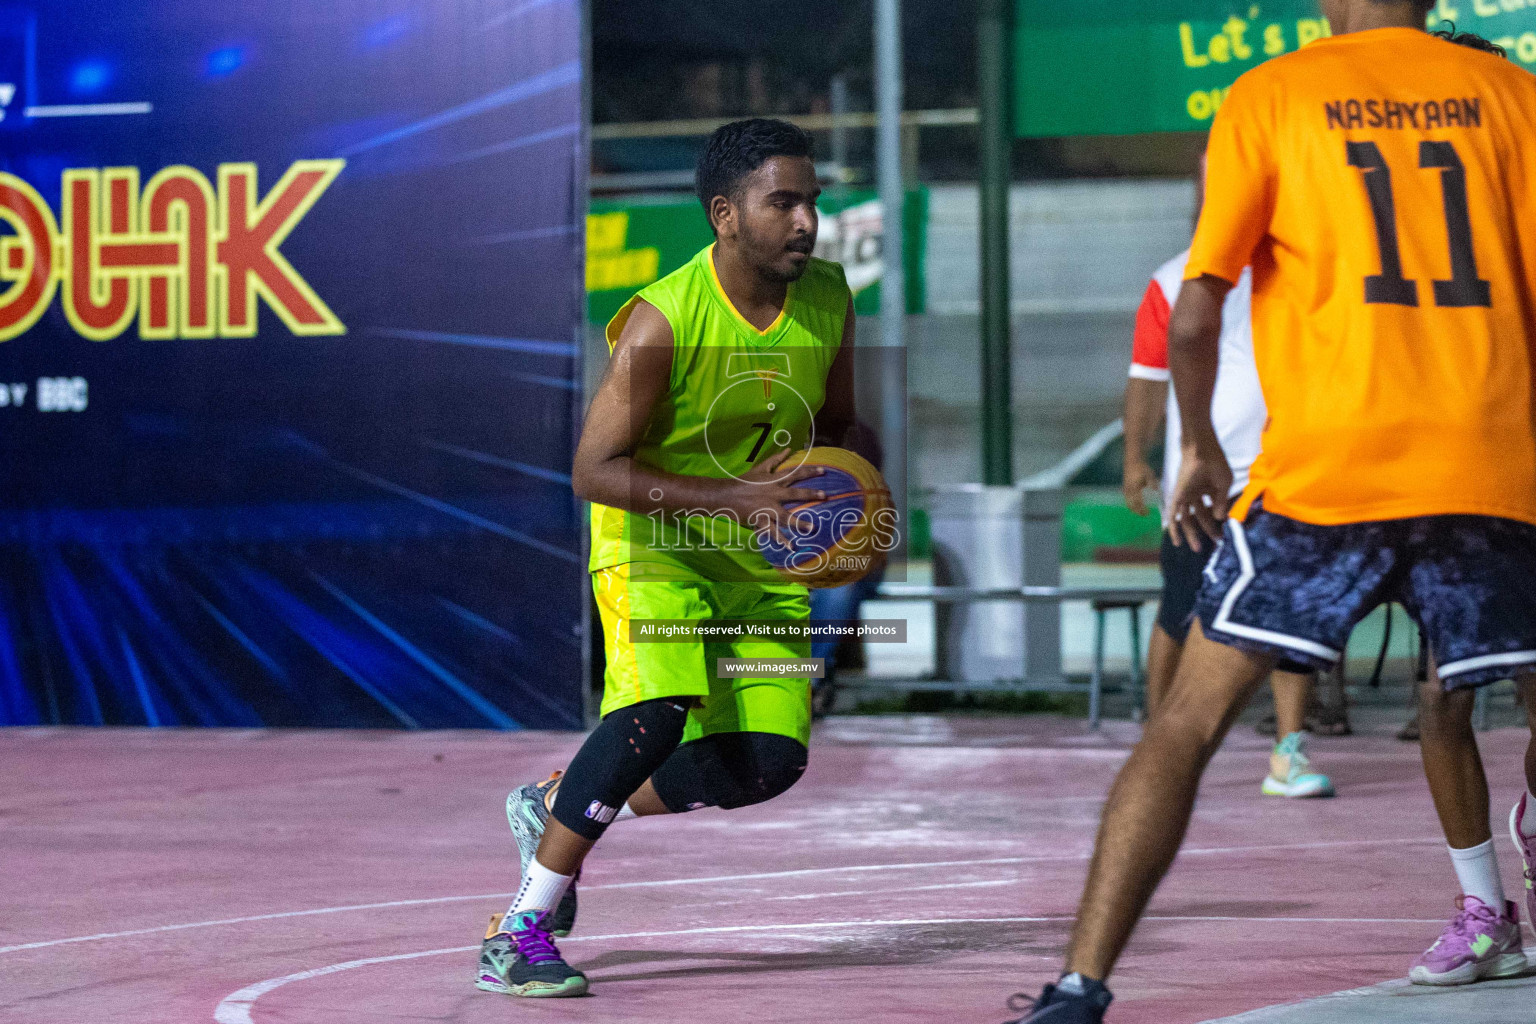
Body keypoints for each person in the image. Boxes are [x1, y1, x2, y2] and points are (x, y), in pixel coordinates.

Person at [1006, 4, 1536, 1020]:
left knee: (1188, 720)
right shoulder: (1518, 98)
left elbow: (1198, 306)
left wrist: (1195, 443)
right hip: (1491, 461)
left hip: (1329, 469)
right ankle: (1491, 900)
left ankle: (1079, 987)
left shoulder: (1274, 94)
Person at [475, 118, 857, 998]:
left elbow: (835, 426)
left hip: (756, 554)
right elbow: (589, 470)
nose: (806, 221)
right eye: (784, 202)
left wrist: (837, 499)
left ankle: (552, 801)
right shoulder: (663, 321)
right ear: (726, 214)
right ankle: (523, 926)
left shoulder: (830, 296)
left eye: (813, 202)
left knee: (767, 762)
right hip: (653, 544)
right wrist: (733, 499)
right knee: (660, 709)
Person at [1124, 162, 1334, 800]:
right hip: (1201, 481)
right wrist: (1138, 457)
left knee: (1291, 615)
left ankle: (1288, 751)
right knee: (1182, 607)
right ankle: (1159, 743)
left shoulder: (1303, 267)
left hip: (1289, 473)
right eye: (1208, 187)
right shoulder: (1172, 277)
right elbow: (1147, 379)